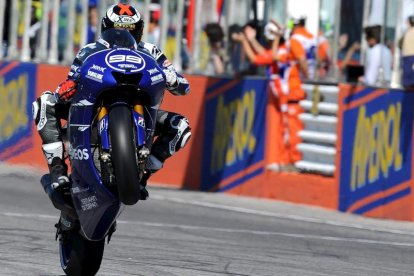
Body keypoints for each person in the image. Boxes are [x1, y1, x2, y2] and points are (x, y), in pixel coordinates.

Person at [32, 3, 191, 200]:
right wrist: (66, 88)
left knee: (181, 127)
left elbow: (183, 85)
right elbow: (70, 81)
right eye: (116, 31)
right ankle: (57, 171)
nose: (122, 36)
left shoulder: (152, 51)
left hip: (140, 103)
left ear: (139, 31)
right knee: (44, 103)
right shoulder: (89, 50)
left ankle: (142, 175)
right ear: (105, 29)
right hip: (95, 104)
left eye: (130, 31)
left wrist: (173, 79)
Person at [401, 16, 414, 89]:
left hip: (408, 57)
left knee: (408, 80)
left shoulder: (408, 32)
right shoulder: (408, 32)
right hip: (409, 56)